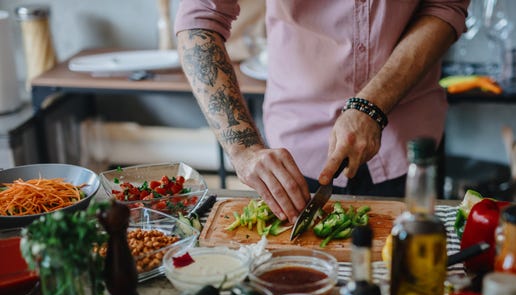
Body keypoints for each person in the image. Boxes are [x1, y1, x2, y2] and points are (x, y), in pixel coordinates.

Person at [175, 1, 469, 223]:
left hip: (410, 144)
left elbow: (444, 6)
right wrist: (244, 149)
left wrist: (373, 103)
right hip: (295, 153)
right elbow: (200, 17)